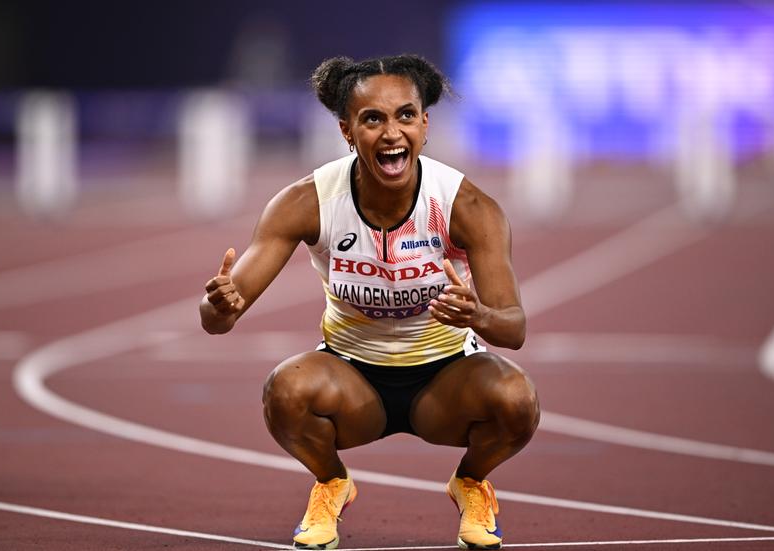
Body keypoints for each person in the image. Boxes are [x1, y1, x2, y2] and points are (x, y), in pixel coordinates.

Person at [200, 54, 540, 550]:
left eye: (406, 116)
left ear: (425, 125)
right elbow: (216, 320)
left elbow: (514, 329)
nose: (392, 133)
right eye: (373, 119)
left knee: (517, 400)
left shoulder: (467, 207)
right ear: (347, 130)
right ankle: (331, 483)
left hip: (447, 379)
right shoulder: (308, 202)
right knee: (285, 391)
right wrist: (220, 305)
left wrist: (480, 316)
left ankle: (470, 482)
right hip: (351, 377)